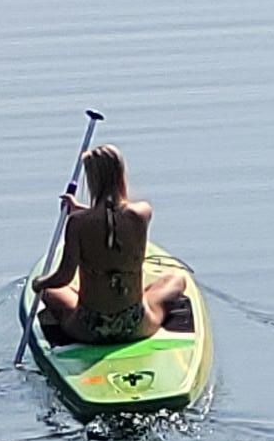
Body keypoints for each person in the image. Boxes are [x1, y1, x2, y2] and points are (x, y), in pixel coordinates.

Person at [34, 145, 188, 342]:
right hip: (135, 325)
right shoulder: (141, 213)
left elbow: (64, 277)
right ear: (120, 174)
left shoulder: (77, 223)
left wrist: (39, 284)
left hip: (89, 329)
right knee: (177, 278)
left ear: (92, 180)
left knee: (49, 291)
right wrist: (83, 210)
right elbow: (112, 218)